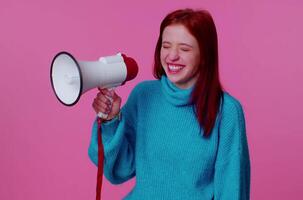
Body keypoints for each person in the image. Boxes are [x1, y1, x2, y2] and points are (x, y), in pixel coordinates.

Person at [89, 8, 250, 200]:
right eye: (166, 46)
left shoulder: (227, 112)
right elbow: (119, 170)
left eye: (184, 49)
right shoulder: (144, 95)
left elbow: (233, 190)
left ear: (205, 55)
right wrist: (111, 120)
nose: (171, 56)